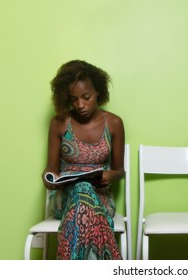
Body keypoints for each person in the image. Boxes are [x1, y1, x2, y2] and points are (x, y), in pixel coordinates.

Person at [42, 60, 125, 260]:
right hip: (64, 198)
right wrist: (49, 178)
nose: (80, 105)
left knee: (85, 190)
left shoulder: (114, 123)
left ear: (98, 92)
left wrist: (109, 175)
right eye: (74, 99)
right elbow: (51, 168)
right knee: (81, 190)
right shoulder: (59, 123)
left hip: (100, 197)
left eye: (86, 97)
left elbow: (120, 170)